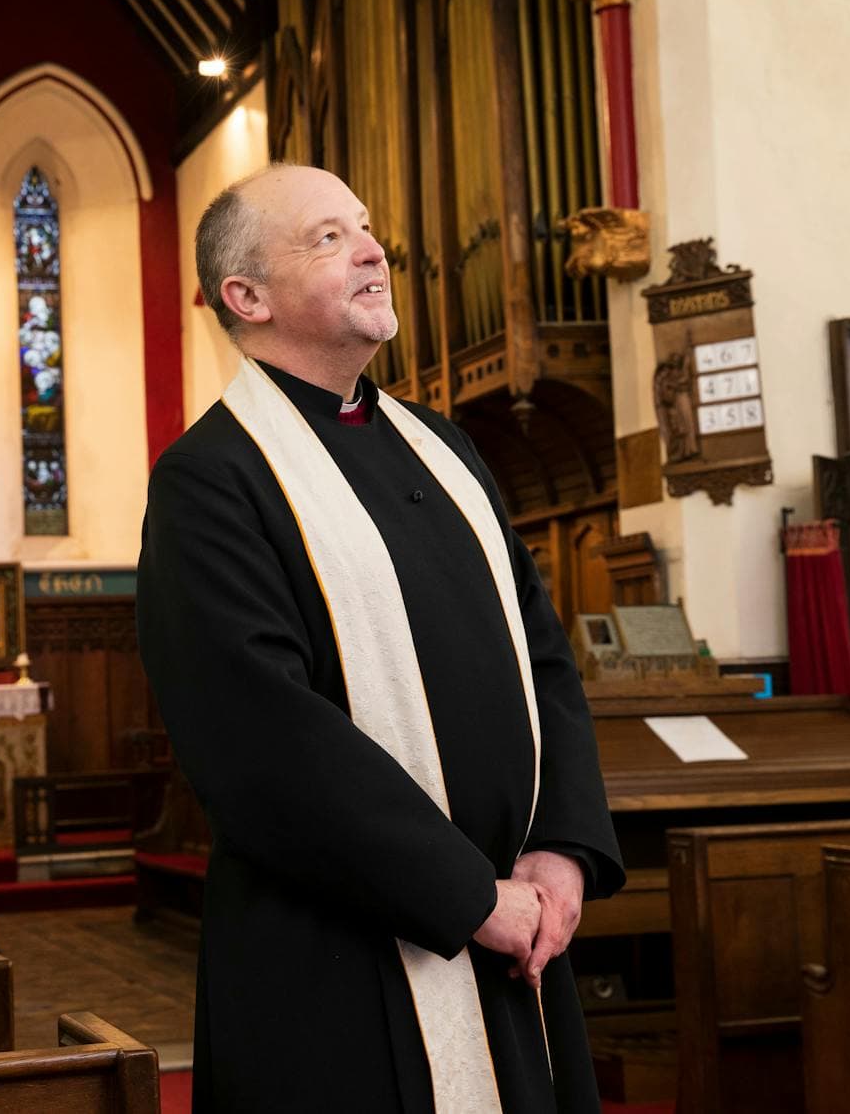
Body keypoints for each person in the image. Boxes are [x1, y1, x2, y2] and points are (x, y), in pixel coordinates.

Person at [137, 164, 623, 1112]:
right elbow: (262, 740)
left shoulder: (445, 448)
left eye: (366, 228)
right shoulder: (212, 480)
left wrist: (561, 849)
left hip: (517, 939)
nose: (373, 250)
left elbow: (544, 658)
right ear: (247, 296)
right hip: (342, 966)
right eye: (327, 238)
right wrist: (472, 899)